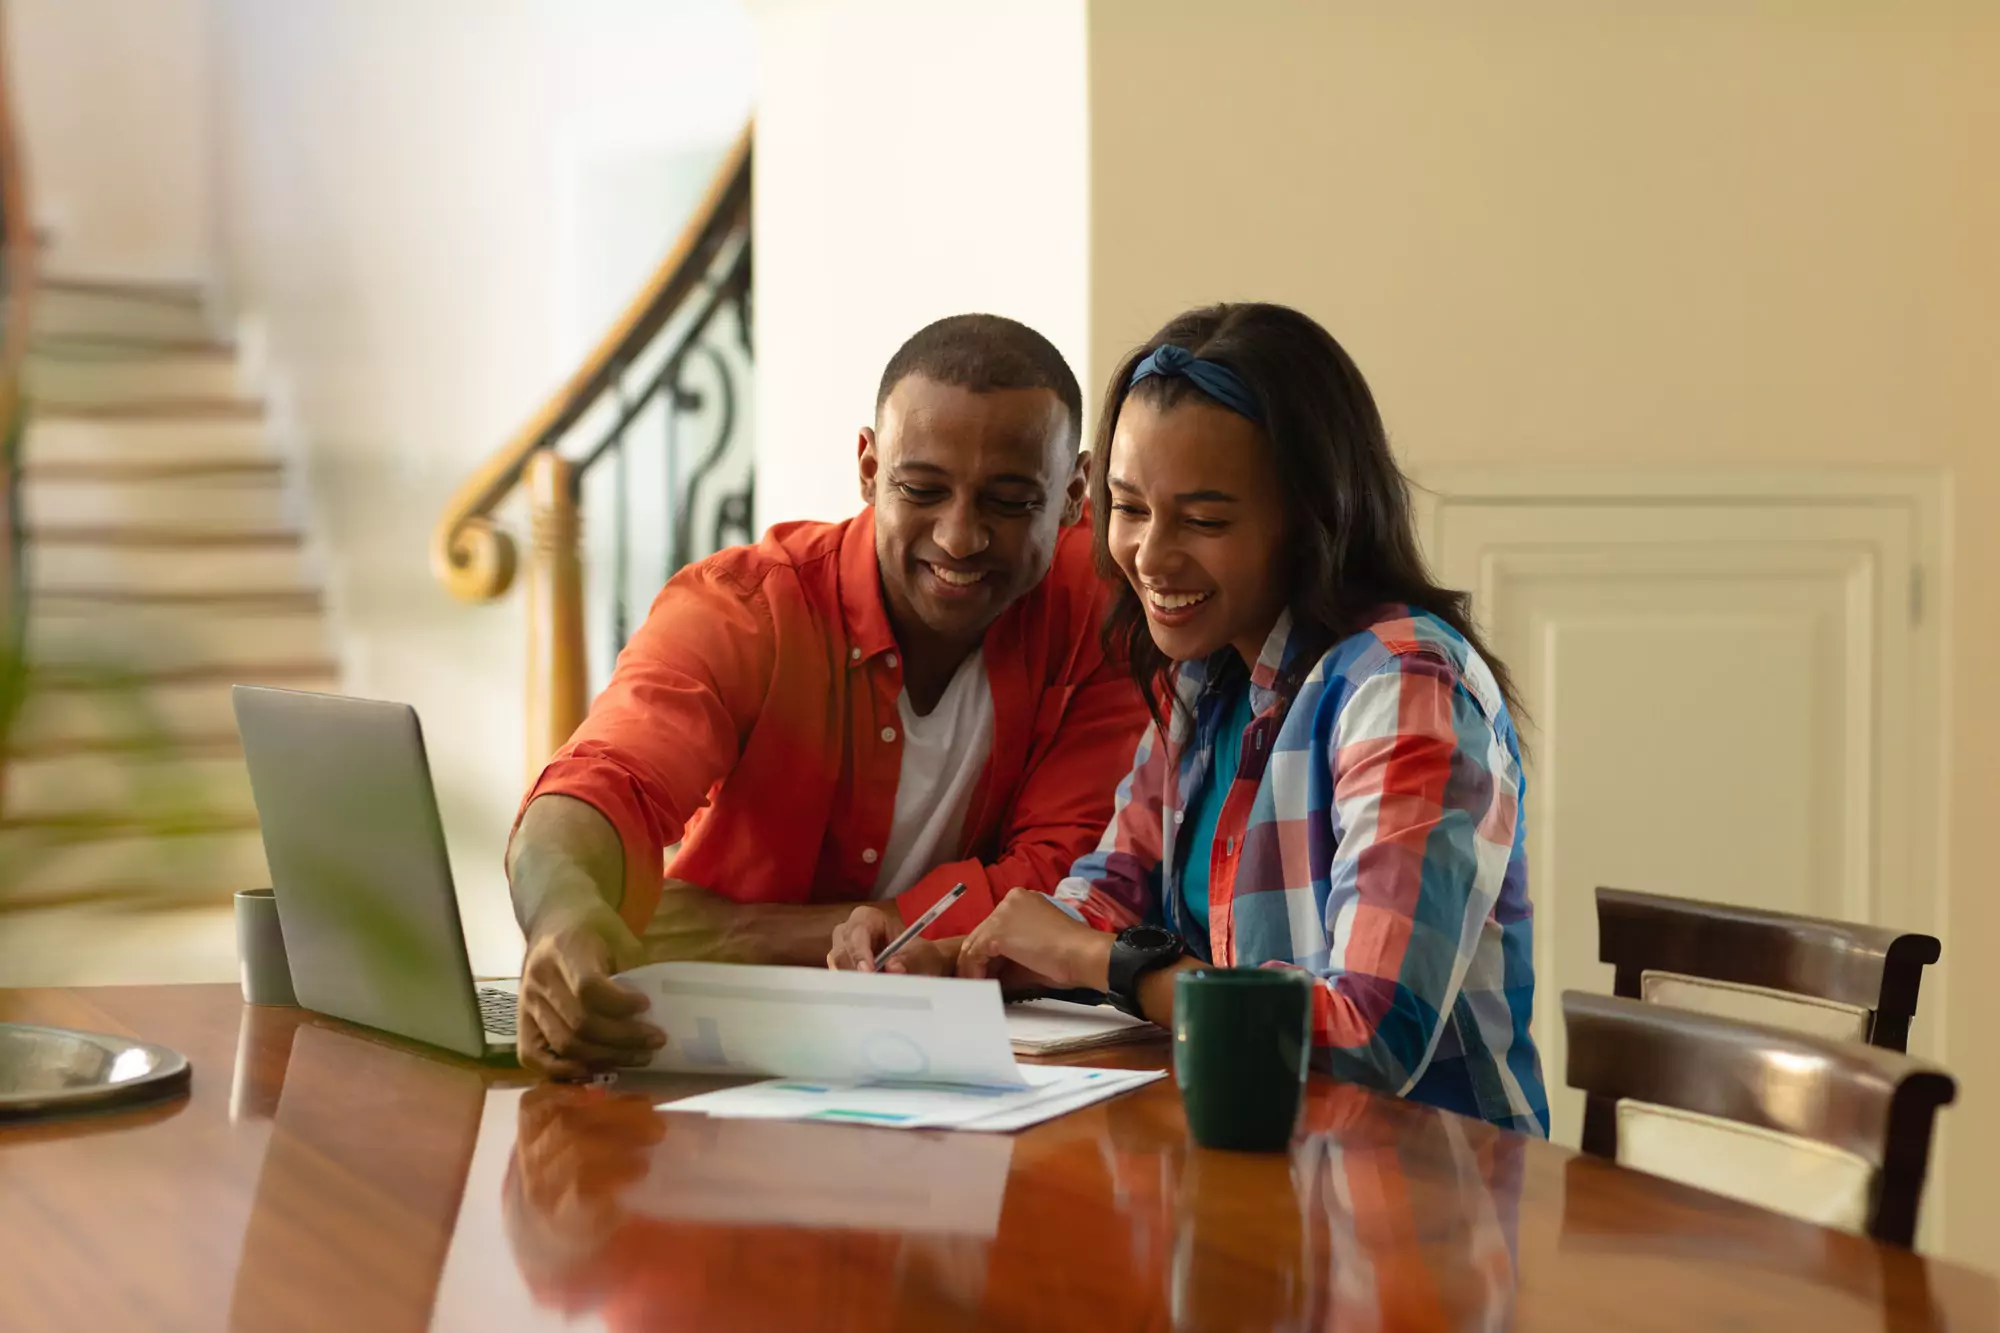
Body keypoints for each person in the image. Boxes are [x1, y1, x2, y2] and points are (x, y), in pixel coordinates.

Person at [831, 302, 1549, 1135]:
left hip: (1414, 1208)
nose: (1149, 555)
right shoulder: (1202, 681)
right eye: (1129, 507)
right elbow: (1106, 895)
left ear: (1312, 519)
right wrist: (962, 961)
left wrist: (1107, 963)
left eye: (1205, 520)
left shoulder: (1404, 687)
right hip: (1252, 1180)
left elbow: (1371, 1034)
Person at [509, 314, 1149, 1079]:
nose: (959, 537)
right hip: (709, 1050)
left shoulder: (1104, 610)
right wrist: (564, 914)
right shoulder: (748, 608)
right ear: (869, 469)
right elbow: (604, 778)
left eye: (1010, 502)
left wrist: (742, 934)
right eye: (922, 489)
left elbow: (1059, 884)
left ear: (1076, 492)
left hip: (969, 1072)